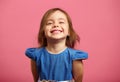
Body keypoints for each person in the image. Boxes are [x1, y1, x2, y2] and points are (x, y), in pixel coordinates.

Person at [25, 8, 88, 82]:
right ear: (43, 32)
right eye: (49, 23)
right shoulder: (36, 55)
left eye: (61, 22)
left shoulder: (74, 56)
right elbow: (35, 80)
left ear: (69, 32)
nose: (56, 25)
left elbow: (78, 80)